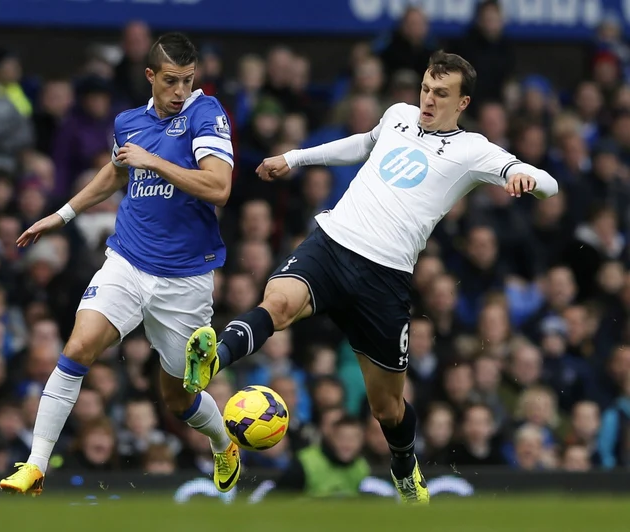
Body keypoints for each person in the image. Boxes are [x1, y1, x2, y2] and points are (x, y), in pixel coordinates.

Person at [184, 50, 558, 504]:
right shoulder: (398, 115)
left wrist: (524, 178)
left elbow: (546, 182)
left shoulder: (473, 150)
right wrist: (294, 157)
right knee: (278, 303)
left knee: (387, 408)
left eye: (441, 94)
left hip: (385, 278)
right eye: (425, 88)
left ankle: (404, 469)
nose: (427, 100)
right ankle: (213, 359)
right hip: (334, 242)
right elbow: (363, 143)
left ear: (462, 103)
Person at [0, 33, 238, 495]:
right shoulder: (129, 122)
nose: (180, 91)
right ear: (150, 76)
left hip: (185, 276)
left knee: (177, 398)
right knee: (79, 345)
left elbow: (218, 188)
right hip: (127, 259)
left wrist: (154, 161)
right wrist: (61, 215)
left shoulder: (206, 114)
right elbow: (116, 171)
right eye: (171, 81)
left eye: (188, 80)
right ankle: (35, 464)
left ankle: (224, 443)